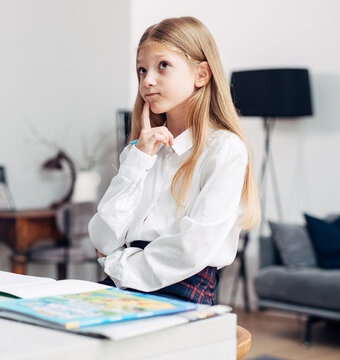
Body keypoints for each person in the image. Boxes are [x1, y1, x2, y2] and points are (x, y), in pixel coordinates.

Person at [88, 16, 260, 305]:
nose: (147, 81)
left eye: (163, 66)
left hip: (181, 288)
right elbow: (103, 239)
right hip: (123, 282)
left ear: (201, 75)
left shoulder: (225, 150)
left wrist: (118, 264)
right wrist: (139, 158)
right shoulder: (139, 152)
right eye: (142, 70)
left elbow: (192, 249)